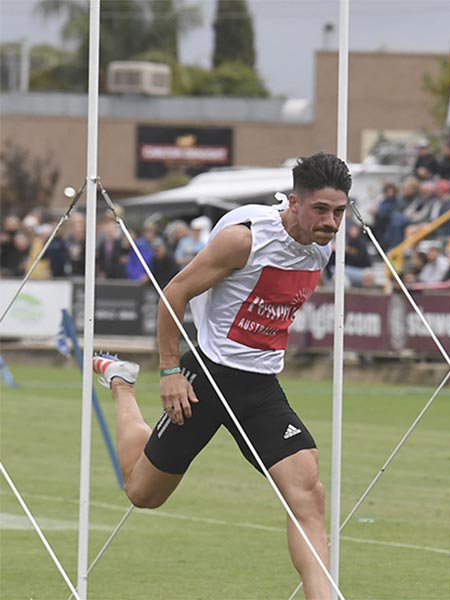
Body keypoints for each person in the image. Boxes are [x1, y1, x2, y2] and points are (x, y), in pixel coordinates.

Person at [91, 152, 352, 599]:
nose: (331, 222)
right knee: (143, 493)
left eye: (340, 212)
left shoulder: (323, 247)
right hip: (206, 377)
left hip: (261, 387)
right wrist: (171, 370)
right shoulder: (243, 241)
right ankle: (122, 384)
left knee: (308, 493)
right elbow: (175, 290)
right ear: (294, 202)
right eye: (321, 210)